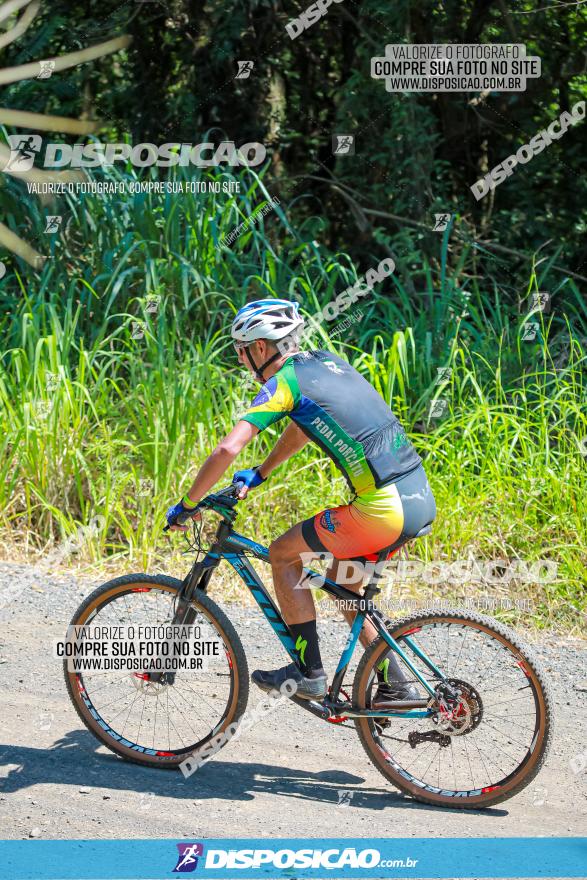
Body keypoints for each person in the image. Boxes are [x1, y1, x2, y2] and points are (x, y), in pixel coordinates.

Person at [166, 299, 436, 702]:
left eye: (240, 352)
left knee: (283, 554)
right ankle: (397, 685)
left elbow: (227, 449)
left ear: (259, 349)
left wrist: (188, 504)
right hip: (417, 497)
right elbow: (305, 427)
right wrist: (261, 472)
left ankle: (309, 673)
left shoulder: (283, 383)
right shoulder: (327, 362)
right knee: (348, 590)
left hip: (382, 509)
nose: (242, 362)